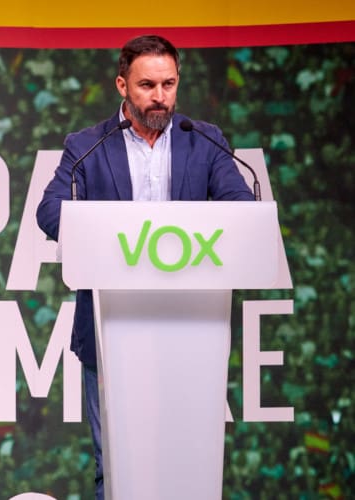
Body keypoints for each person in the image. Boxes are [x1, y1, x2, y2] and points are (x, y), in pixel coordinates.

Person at [36, 34, 254, 499]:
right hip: (110, 330)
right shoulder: (87, 145)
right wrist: (107, 229)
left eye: (168, 84)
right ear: (122, 85)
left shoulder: (205, 141)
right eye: (147, 85)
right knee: (114, 465)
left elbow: (241, 206)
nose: (160, 96)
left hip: (191, 330)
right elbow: (50, 211)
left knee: (186, 463)